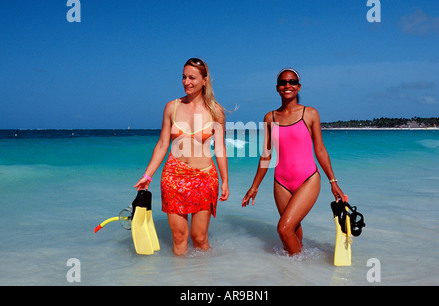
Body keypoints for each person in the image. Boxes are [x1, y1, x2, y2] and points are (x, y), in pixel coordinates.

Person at [242, 68, 344, 256]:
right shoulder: (270, 118)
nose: (287, 85)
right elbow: (266, 155)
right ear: (277, 88)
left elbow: (320, 150)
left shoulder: (310, 114)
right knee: (293, 230)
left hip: (308, 179)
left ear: (298, 86)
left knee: (283, 228)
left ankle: (298, 267)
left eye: (292, 82)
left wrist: (333, 181)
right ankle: (296, 274)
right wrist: (254, 187)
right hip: (281, 182)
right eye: (283, 82)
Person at [134, 58, 229, 255]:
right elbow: (162, 144)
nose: (187, 82)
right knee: (179, 237)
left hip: (204, 177)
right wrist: (147, 175)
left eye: (192, 77)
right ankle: (179, 280)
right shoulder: (172, 107)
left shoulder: (216, 112)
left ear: (204, 80)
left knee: (200, 238)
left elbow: (219, 147)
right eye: (184, 77)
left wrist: (225, 179)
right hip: (173, 177)